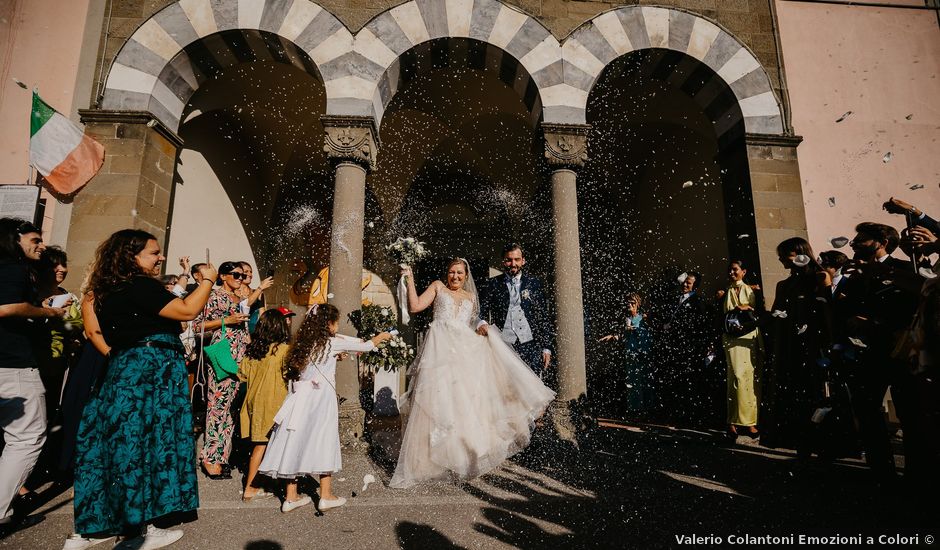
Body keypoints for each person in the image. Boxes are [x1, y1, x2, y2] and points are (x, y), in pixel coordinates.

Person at [64, 229, 217, 550]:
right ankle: (139, 530)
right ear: (130, 256)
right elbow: (187, 312)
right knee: (147, 442)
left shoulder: (102, 291)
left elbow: (93, 330)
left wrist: (119, 357)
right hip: (154, 366)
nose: (160, 257)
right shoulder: (140, 284)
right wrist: (207, 281)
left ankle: (95, 526)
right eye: (154, 252)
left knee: (111, 442)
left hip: (122, 365)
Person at [390, 258, 555, 488]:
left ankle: (460, 458)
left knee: (461, 405)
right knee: (436, 403)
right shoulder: (438, 287)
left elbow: (471, 323)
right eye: (451, 272)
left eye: (459, 273)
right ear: (446, 273)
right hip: (440, 351)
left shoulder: (470, 298)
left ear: (466, 276)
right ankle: (424, 462)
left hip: (464, 352)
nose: (455, 276)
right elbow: (416, 306)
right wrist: (409, 278)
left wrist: (481, 327)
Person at [258, 304, 391, 512]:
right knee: (324, 438)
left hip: (299, 397)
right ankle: (326, 495)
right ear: (328, 324)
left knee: (295, 439)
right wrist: (379, 338)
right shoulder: (330, 343)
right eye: (335, 322)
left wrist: (334, 357)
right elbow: (365, 347)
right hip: (320, 399)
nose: (337, 326)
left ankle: (290, 497)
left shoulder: (303, 342)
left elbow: (313, 364)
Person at [0, 218, 66, 531]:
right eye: (35, 240)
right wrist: (49, 311)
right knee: (27, 438)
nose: (40, 246)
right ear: (15, 239)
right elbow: (7, 307)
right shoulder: (12, 268)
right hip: (12, 364)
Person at [761, 237, 830, 454]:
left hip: (813, 347)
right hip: (789, 348)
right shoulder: (784, 285)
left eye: (785, 255)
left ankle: (824, 443)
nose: (781, 259)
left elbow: (828, 313)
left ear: (800, 254)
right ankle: (801, 444)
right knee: (795, 396)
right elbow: (775, 317)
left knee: (818, 396)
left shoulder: (818, 279)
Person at [194, 261, 251, 479]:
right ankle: (210, 459)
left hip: (241, 356)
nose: (240, 279)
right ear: (223, 276)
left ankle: (222, 456)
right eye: (236, 275)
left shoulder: (239, 299)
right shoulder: (213, 296)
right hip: (223, 355)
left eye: (243, 275)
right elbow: (196, 325)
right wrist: (226, 320)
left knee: (232, 408)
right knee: (218, 406)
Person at [237, 309, 291, 502]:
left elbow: (241, 374)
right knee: (275, 444)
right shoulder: (283, 350)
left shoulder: (253, 350)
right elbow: (290, 373)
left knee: (260, 445)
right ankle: (252, 487)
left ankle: (258, 483)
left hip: (254, 402)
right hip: (274, 402)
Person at [477, 244, 553, 377]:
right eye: (509, 260)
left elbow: (543, 317)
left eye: (517, 259)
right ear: (503, 261)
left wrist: (546, 347)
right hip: (503, 345)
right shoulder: (492, 284)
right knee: (506, 389)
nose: (513, 264)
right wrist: (481, 322)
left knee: (532, 389)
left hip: (531, 346)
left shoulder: (534, 283)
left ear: (523, 261)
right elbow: (480, 311)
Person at [655, 271, 713, 424]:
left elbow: (700, 324)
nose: (685, 285)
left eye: (689, 283)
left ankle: (691, 415)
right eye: (685, 281)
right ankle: (676, 412)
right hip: (673, 345)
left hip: (689, 346)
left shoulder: (698, 301)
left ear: (695, 286)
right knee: (675, 379)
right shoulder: (675, 299)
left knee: (689, 380)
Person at [716, 260, 764, 436]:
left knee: (750, 378)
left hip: (749, 336)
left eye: (735, 270)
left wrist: (748, 307)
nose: (731, 273)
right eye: (729, 270)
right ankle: (732, 421)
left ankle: (750, 422)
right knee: (735, 377)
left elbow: (760, 311)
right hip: (731, 338)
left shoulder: (752, 289)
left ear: (743, 271)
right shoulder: (724, 292)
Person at [598, 292, 654, 413]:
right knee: (631, 381)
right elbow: (623, 335)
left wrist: (634, 330)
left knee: (644, 380)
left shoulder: (643, 317)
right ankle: (634, 409)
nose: (629, 304)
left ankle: (647, 409)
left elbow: (647, 335)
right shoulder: (626, 318)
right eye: (628, 302)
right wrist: (612, 336)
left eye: (632, 302)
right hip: (630, 353)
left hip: (641, 353)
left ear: (638, 304)